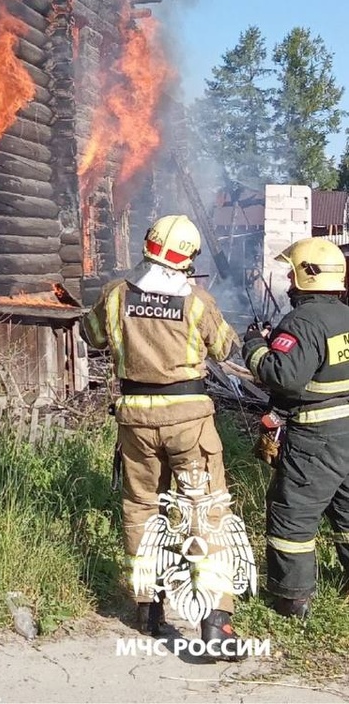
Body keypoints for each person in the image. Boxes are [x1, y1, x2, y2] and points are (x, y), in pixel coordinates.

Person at [82, 214, 246, 658]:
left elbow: (90, 333)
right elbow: (225, 348)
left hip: (135, 418)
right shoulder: (196, 301)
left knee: (141, 509)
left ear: (148, 245)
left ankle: (148, 609)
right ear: (188, 257)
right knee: (205, 513)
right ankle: (215, 624)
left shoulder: (116, 295)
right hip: (189, 421)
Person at [243, 236, 349, 618]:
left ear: (307, 276)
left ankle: (292, 600)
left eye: (292, 273)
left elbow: (283, 376)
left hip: (317, 437)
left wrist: (255, 346)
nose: (288, 280)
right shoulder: (345, 316)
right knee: (348, 512)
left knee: (292, 514)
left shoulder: (302, 321)